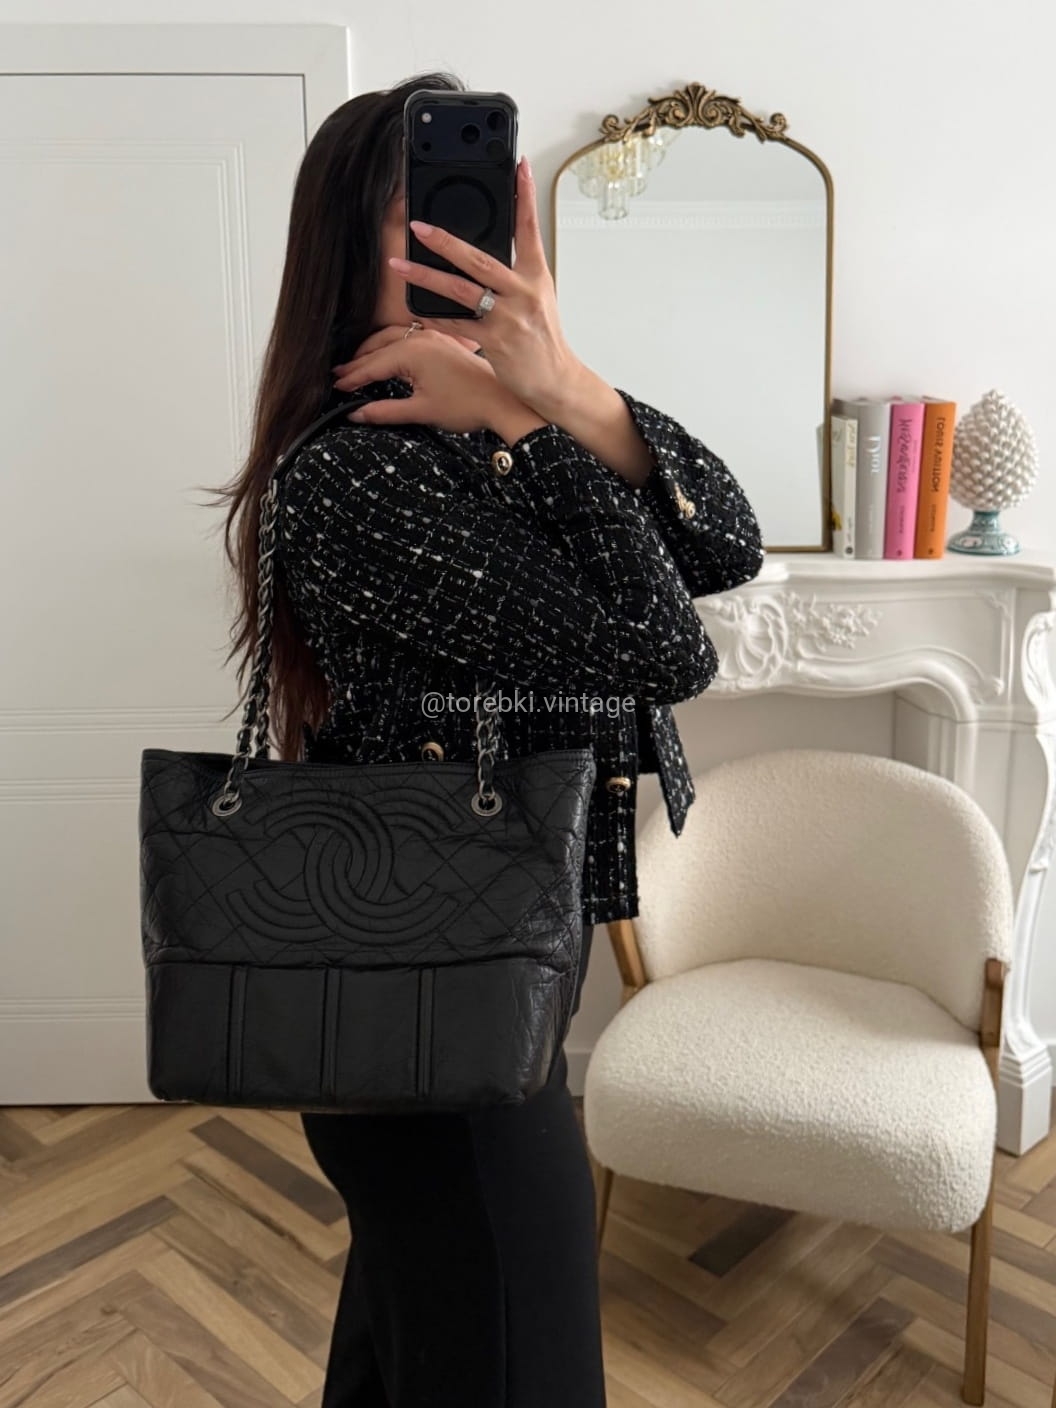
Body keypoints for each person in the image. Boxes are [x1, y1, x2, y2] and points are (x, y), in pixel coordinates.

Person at [210, 71, 764, 1408]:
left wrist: (565, 387)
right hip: (433, 1013)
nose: (466, 245)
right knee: (521, 1364)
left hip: (476, 974)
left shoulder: (476, 431)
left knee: (417, 1348)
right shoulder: (356, 470)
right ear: (347, 250)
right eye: (424, 214)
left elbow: (727, 542)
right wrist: (525, 418)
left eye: (479, 214)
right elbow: (667, 648)